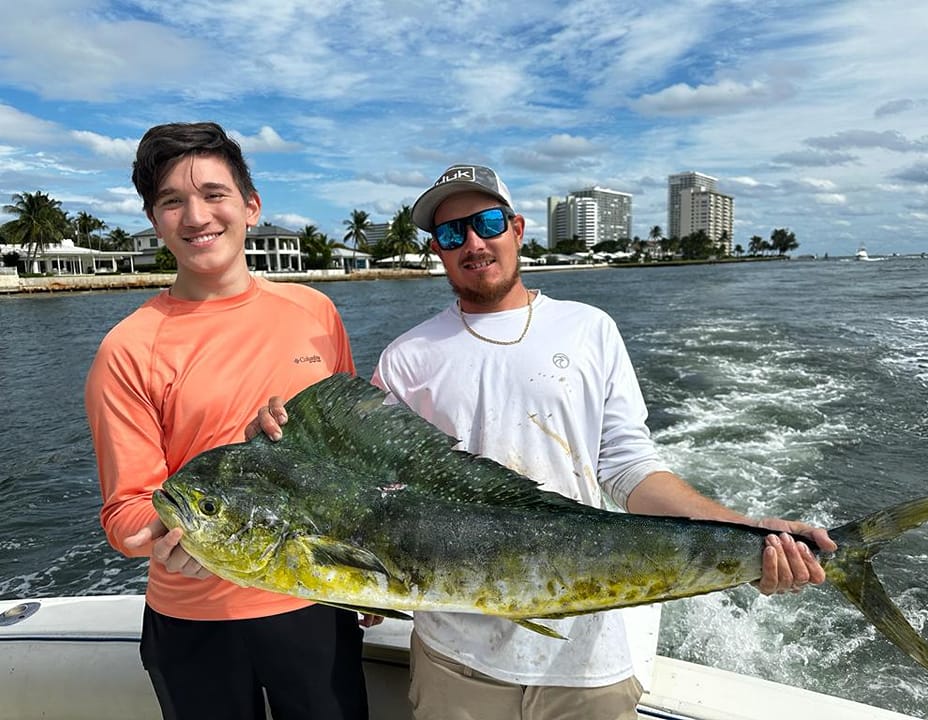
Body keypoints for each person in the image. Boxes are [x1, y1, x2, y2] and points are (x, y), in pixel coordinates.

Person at [253, 164, 836, 720]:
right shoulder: (407, 357)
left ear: (516, 228)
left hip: (588, 655)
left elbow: (628, 468)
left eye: (486, 224)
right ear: (437, 249)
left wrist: (746, 530)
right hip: (457, 660)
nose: (473, 244)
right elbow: (366, 491)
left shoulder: (589, 328)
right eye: (452, 233)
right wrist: (282, 446)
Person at [84, 121, 373, 720]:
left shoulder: (315, 311)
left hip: (314, 598)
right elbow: (126, 510)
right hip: (195, 620)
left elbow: (354, 458)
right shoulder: (128, 348)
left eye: (214, 194)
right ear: (154, 220)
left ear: (250, 206)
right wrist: (169, 535)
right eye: (172, 201)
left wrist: (368, 570)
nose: (196, 217)